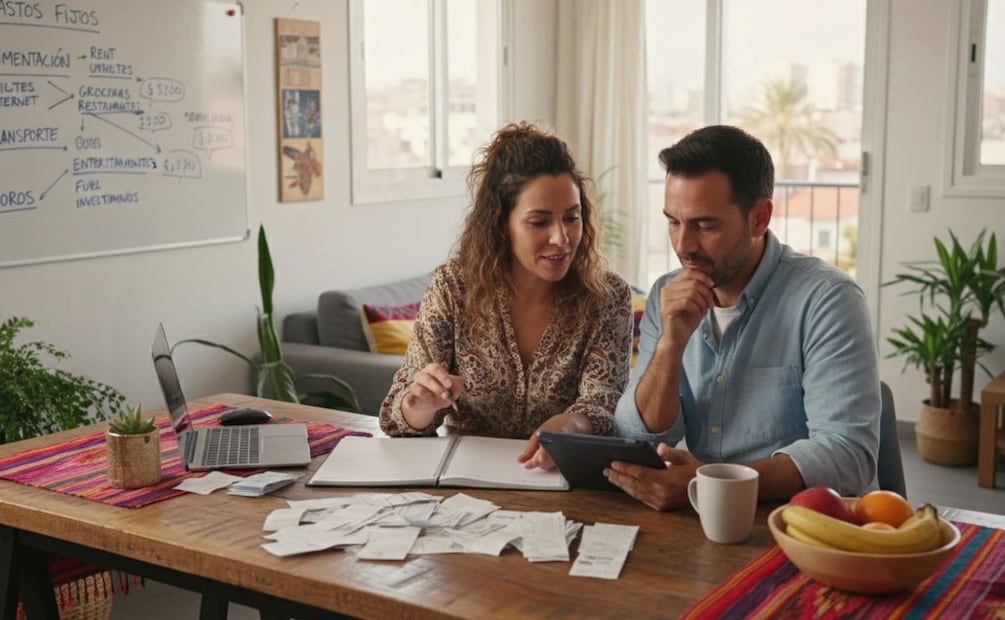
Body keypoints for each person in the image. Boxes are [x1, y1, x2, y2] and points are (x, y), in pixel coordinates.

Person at [607, 125, 881, 510]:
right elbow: (636, 433)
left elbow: (848, 454)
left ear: (759, 218)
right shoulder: (667, 296)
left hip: (807, 525)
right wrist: (671, 344)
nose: (683, 245)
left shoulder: (828, 300)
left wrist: (713, 483)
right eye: (673, 221)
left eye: (705, 225)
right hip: (703, 524)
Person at [379, 122, 634, 469]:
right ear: (502, 223)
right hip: (463, 486)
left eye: (572, 218)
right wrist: (420, 405)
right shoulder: (453, 288)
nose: (562, 238)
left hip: (563, 486)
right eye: (539, 222)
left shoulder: (607, 297)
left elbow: (603, 406)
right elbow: (397, 421)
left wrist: (570, 426)